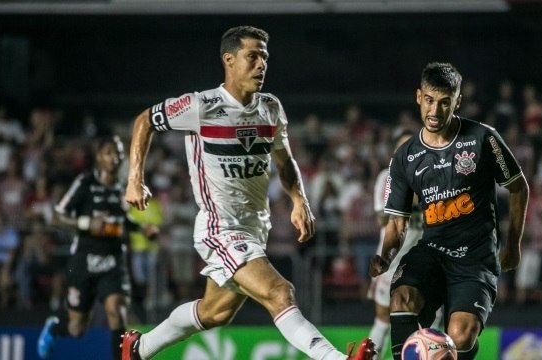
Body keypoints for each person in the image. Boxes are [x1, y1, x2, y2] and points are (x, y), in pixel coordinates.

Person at [120, 25, 376, 360]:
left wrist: (299, 200)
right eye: (252, 57)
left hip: (255, 228)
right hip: (220, 228)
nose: (261, 65)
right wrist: (134, 179)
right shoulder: (202, 105)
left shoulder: (270, 107)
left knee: (215, 313)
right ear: (229, 59)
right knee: (280, 292)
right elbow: (144, 121)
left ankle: (137, 349)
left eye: (264, 57)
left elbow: (285, 162)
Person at [369, 62, 529, 360]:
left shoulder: (484, 139)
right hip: (432, 250)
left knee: (460, 336)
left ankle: (464, 350)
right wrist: (386, 255)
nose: (435, 110)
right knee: (402, 298)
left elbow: (519, 187)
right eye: (429, 100)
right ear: (419, 96)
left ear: (457, 101)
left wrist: (513, 245)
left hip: (475, 259)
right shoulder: (404, 157)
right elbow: (397, 223)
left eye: (445, 103)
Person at [37, 135, 153, 360]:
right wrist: (86, 223)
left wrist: (142, 229)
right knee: (76, 328)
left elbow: (124, 221)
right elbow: (56, 216)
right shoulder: (85, 183)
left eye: (119, 153)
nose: (115, 158)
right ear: (99, 157)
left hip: (113, 260)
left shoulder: (123, 188)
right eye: (109, 152)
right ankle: (55, 326)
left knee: (116, 311)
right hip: (84, 260)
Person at [367, 130, 444, 357]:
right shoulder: (388, 177)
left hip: (426, 257)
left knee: (432, 317)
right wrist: (413, 198)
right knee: (383, 317)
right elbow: (382, 217)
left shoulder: (435, 175)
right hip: (393, 258)